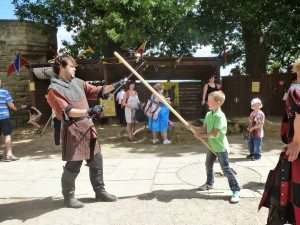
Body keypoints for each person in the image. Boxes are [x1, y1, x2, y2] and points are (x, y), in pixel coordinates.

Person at [46, 54, 124, 208]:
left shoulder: (78, 82)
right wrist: (89, 111)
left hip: (88, 128)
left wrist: (117, 84)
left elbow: (98, 90)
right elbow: (68, 111)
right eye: (71, 66)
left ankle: (100, 192)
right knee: (73, 165)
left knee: (96, 160)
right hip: (73, 130)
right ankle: (68, 197)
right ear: (61, 67)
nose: (75, 68)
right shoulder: (53, 89)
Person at [259, 59, 300, 224]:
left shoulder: (296, 91)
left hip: (298, 149)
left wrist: (297, 141)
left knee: (296, 195)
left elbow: (299, 115)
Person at [187, 90, 241, 203]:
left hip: (221, 147)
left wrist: (200, 135)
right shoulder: (208, 114)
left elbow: (215, 134)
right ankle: (209, 183)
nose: (207, 102)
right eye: (208, 100)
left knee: (225, 169)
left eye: (210, 101)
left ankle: (236, 189)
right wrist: (193, 128)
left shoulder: (220, 116)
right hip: (211, 145)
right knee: (208, 164)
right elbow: (204, 129)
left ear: (218, 103)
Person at [0, 80, 19, 162]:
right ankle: (9, 155)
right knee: (7, 135)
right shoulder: (4, 92)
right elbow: (11, 105)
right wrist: (15, 108)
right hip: (4, 117)